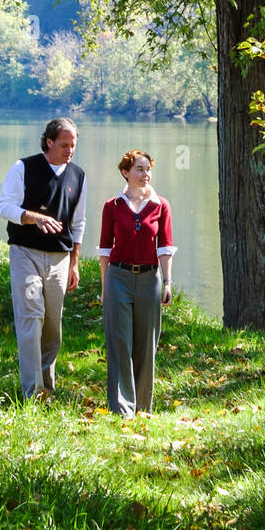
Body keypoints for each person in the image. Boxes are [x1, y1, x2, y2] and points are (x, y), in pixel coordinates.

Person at [0, 118, 86, 400]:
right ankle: (32, 392)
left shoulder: (78, 175)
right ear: (49, 141)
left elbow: (78, 223)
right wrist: (32, 217)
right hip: (26, 253)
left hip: (59, 258)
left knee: (52, 325)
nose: (69, 150)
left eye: (73, 145)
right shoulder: (23, 167)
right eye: (64, 144)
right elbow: (3, 206)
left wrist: (74, 263)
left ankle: (48, 385)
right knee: (31, 317)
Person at [98, 150, 176, 417]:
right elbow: (105, 251)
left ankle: (142, 406)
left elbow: (165, 247)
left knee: (146, 343)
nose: (145, 175)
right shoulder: (112, 206)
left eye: (148, 169)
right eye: (139, 169)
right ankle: (122, 408)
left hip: (149, 278)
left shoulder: (161, 205)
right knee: (119, 341)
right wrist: (104, 287)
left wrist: (167, 282)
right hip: (118, 277)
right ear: (126, 172)